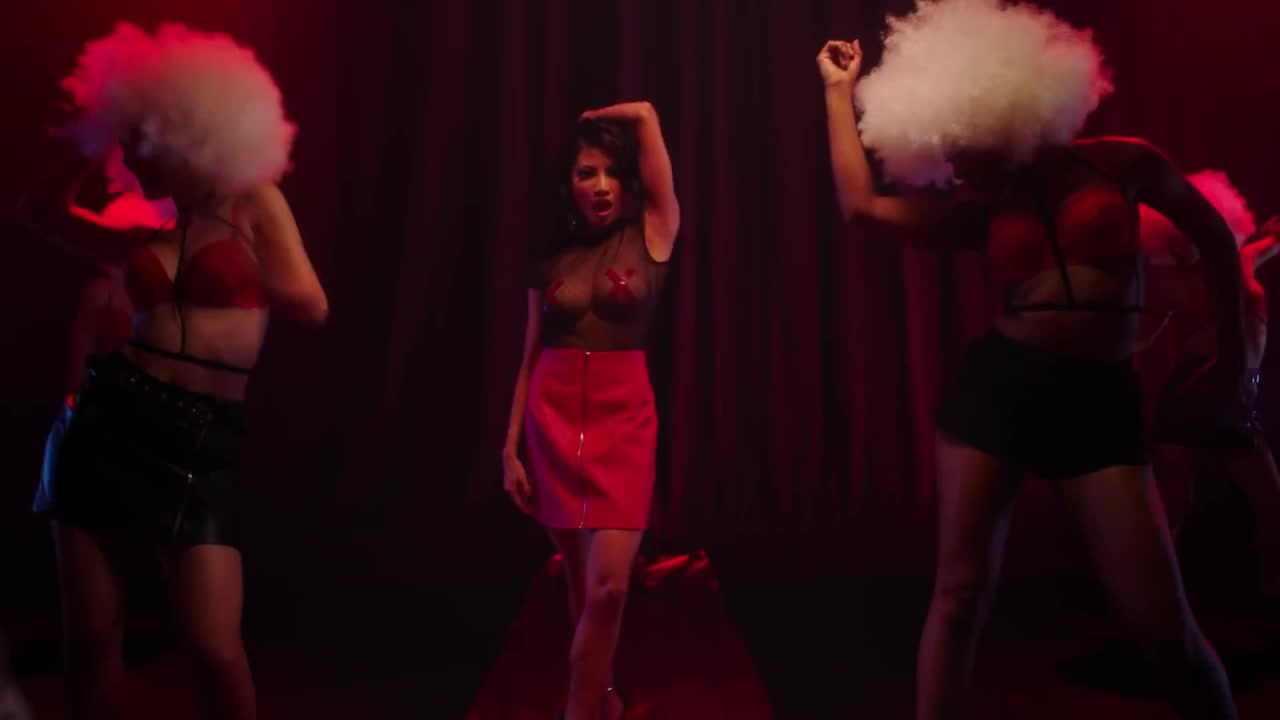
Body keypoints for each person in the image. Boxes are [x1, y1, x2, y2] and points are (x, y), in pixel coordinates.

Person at [818, 1, 1247, 717]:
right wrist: (838, 92)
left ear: (1005, 110)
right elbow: (862, 207)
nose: (953, 159)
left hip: (1099, 402)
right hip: (1002, 392)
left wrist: (1236, 360)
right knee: (960, 596)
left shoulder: (1124, 162)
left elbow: (1217, 241)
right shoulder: (981, 208)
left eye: (962, 139)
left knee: (1161, 625)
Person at [18, 22, 327, 720]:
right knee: (92, 643)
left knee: (214, 649)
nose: (134, 153)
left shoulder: (253, 202)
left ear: (191, 134)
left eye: (145, 137)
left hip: (200, 443)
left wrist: (246, 251)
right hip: (105, 427)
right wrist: (90, 136)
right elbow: (37, 211)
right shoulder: (139, 230)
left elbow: (311, 304)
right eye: (127, 138)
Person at [501, 103, 679, 720]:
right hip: (551, 418)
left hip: (623, 418)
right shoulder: (550, 256)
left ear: (628, 182)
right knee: (581, 587)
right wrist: (509, 448)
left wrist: (608, 115)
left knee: (610, 588)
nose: (601, 186)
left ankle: (577, 713)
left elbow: (647, 119)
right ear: (569, 184)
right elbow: (529, 355)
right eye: (586, 173)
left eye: (611, 173)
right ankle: (603, 702)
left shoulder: (652, 231)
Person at [1142, 173, 1280, 605]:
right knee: (1174, 504)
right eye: (1175, 239)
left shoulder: (1242, 260)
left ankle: (1272, 595)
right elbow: (1139, 337)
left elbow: (1276, 236)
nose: (1182, 245)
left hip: (1239, 393)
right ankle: (1159, 600)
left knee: (1272, 505)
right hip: (1194, 388)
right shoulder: (1169, 285)